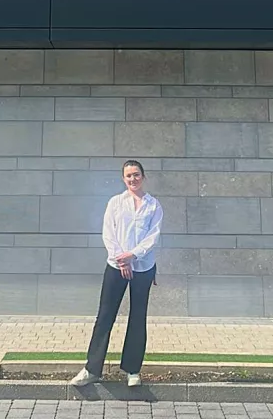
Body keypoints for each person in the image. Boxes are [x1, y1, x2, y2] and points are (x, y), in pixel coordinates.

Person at [71, 159, 163, 389]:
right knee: (105, 316)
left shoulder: (153, 206)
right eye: (128, 175)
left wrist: (132, 255)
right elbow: (108, 232)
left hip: (143, 267)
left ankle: (133, 370)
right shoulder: (115, 203)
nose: (133, 179)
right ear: (123, 179)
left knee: (138, 317)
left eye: (136, 174)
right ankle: (92, 369)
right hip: (116, 266)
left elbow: (153, 237)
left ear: (144, 176)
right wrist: (120, 258)